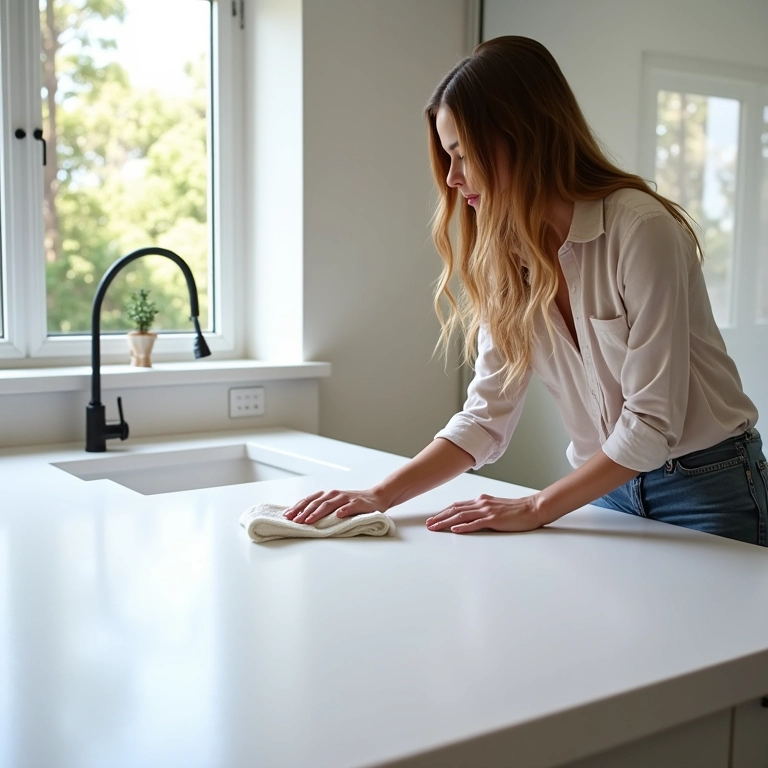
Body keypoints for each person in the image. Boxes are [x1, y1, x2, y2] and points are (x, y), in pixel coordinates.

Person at [285, 36, 768, 546]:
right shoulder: (506, 259)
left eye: (463, 154)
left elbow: (651, 423)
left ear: (522, 136)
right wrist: (378, 496)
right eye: (448, 157)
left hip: (708, 487)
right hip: (607, 491)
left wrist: (536, 506)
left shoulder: (641, 230)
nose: (452, 178)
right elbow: (484, 419)